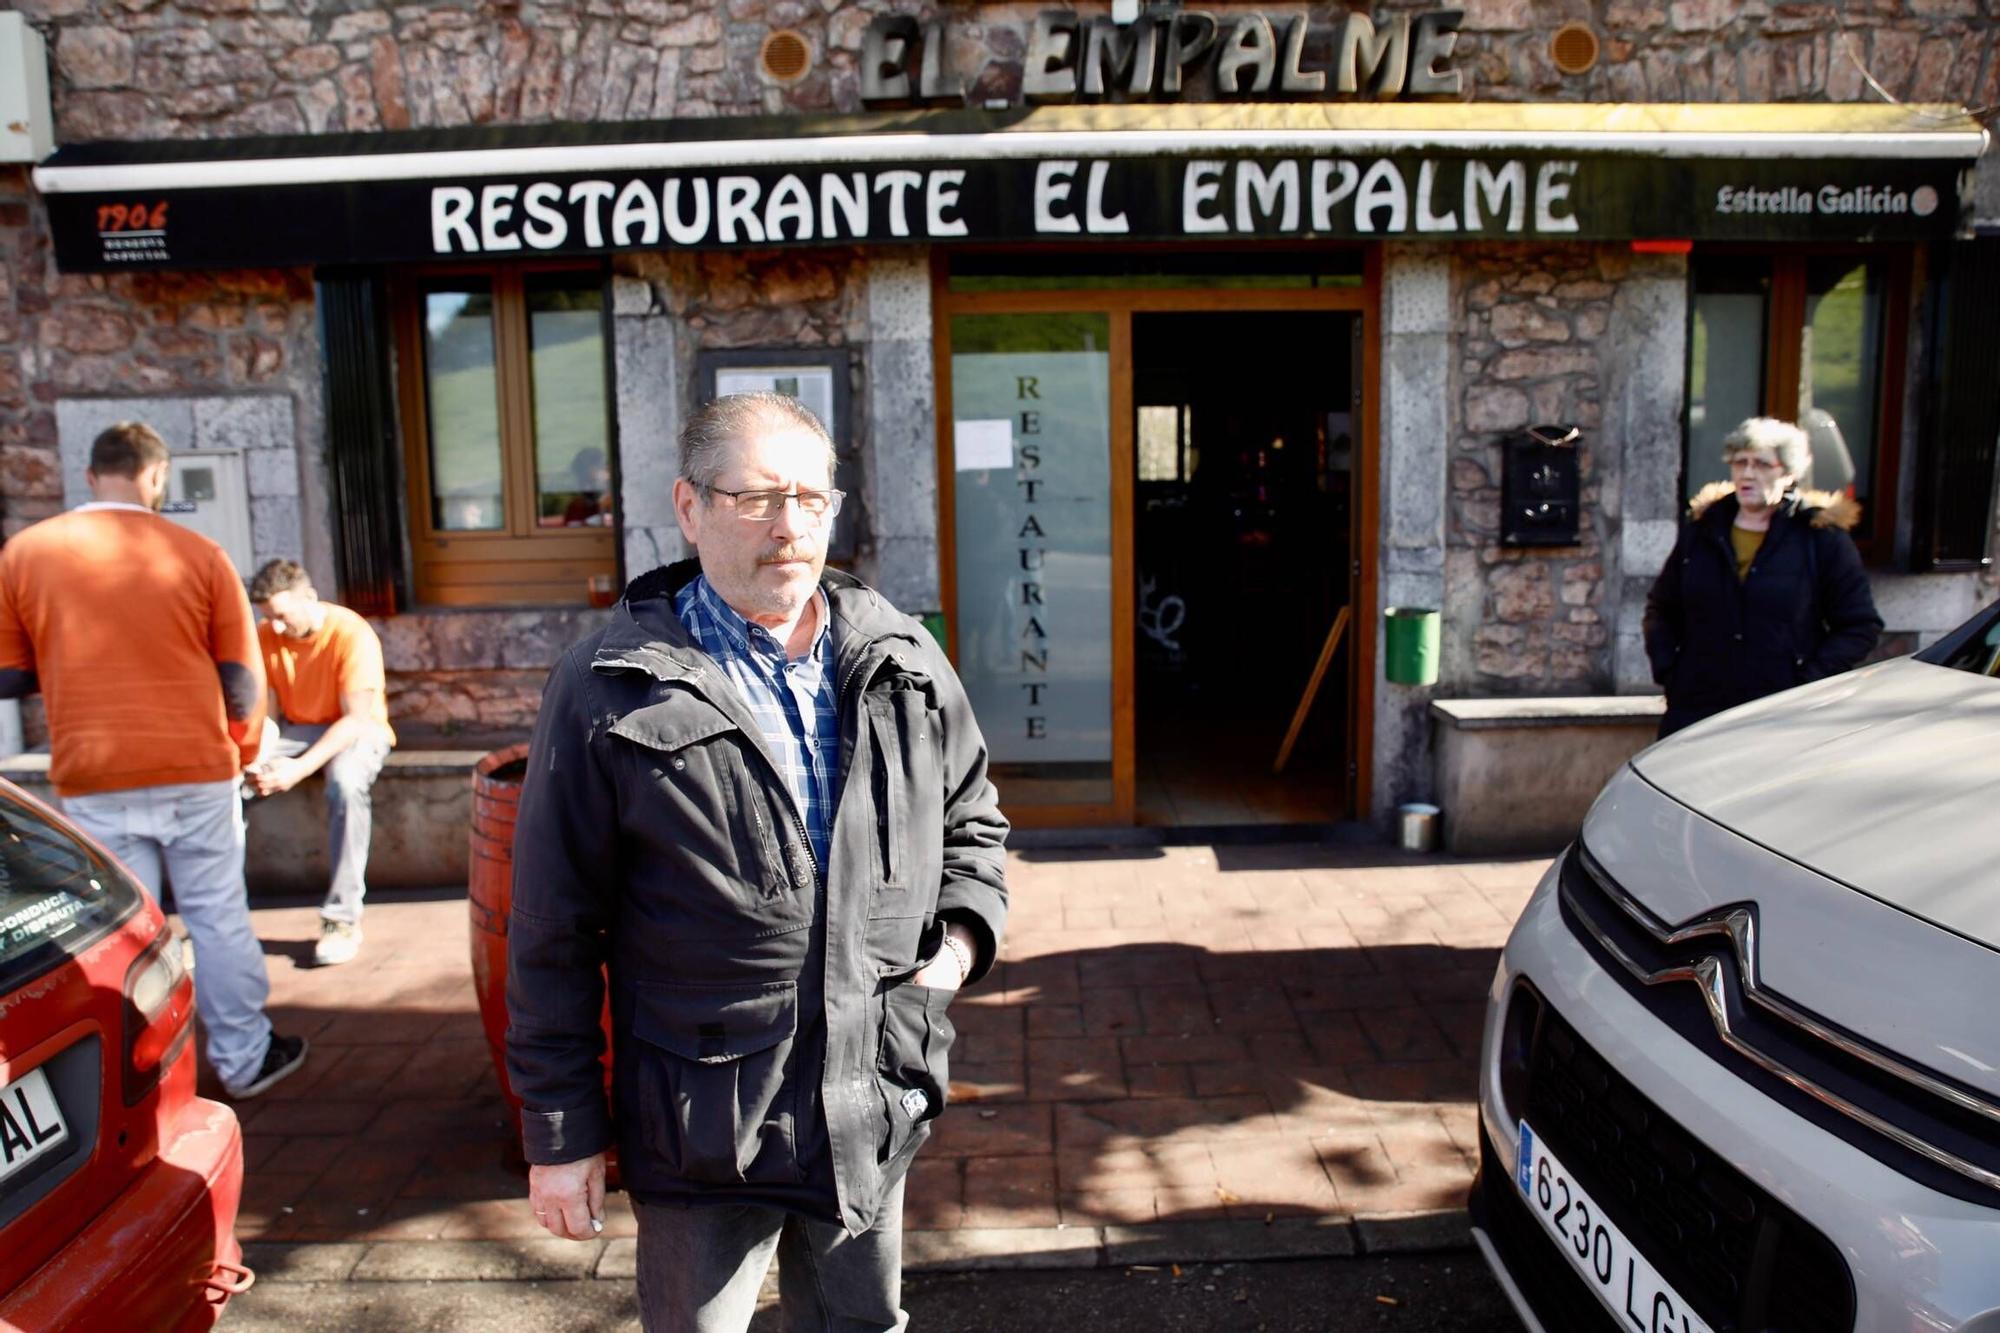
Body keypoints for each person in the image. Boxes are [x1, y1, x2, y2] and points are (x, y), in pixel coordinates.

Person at [507, 393, 1008, 1333]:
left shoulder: (901, 657)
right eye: (755, 498)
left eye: (811, 498)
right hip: (703, 1126)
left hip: (873, 1093)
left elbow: (972, 819)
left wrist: (957, 949)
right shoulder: (609, 682)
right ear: (689, 507)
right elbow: (552, 929)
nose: (790, 525)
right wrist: (562, 1134)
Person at [0, 421, 307, 1098]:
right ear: (157, 476)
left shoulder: (24, 554)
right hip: (196, 767)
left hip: (93, 771)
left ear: (90, 475)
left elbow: (10, 676)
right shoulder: (199, 552)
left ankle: (145, 1075)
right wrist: (246, 751)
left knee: (122, 930)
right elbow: (242, 680)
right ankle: (246, 1057)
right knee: (218, 913)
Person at [1644, 416, 1883, 738]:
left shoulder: (1820, 538)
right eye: (1740, 462)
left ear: (1787, 473)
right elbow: (1662, 608)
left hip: (1780, 714)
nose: (1747, 474)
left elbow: (1859, 625)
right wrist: (1670, 669)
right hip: (1696, 707)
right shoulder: (1703, 529)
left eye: (1761, 464)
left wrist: (1805, 682)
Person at [245, 559, 396, 967]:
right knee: (233, 783)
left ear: (308, 597)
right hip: (298, 730)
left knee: (345, 783)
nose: (275, 626)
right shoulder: (265, 636)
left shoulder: (351, 633)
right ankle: (223, 921)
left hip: (359, 729)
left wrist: (298, 769)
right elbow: (270, 716)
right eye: (267, 617)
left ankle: (343, 918)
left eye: (281, 615)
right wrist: (258, 759)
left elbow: (356, 719)